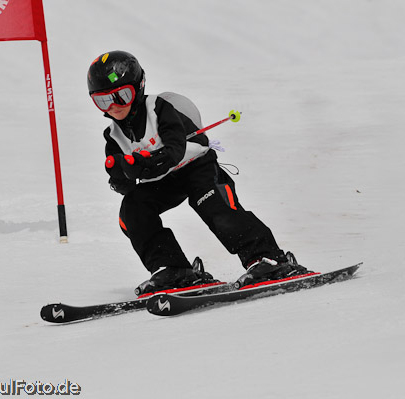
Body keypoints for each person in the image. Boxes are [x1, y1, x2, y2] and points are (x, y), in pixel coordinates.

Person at [87, 50, 310, 295]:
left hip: (196, 167)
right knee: (132, 211)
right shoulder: (113, 135)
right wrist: (122, 176)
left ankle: (267, 259)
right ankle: (171, 268)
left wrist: (144, 163)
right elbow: (123, 180)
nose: (115, 106)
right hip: (163, 182)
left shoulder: (159, 108)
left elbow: (175, 149)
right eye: (103, 101)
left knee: (214, 205)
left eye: (122, 96)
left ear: (138, 87)